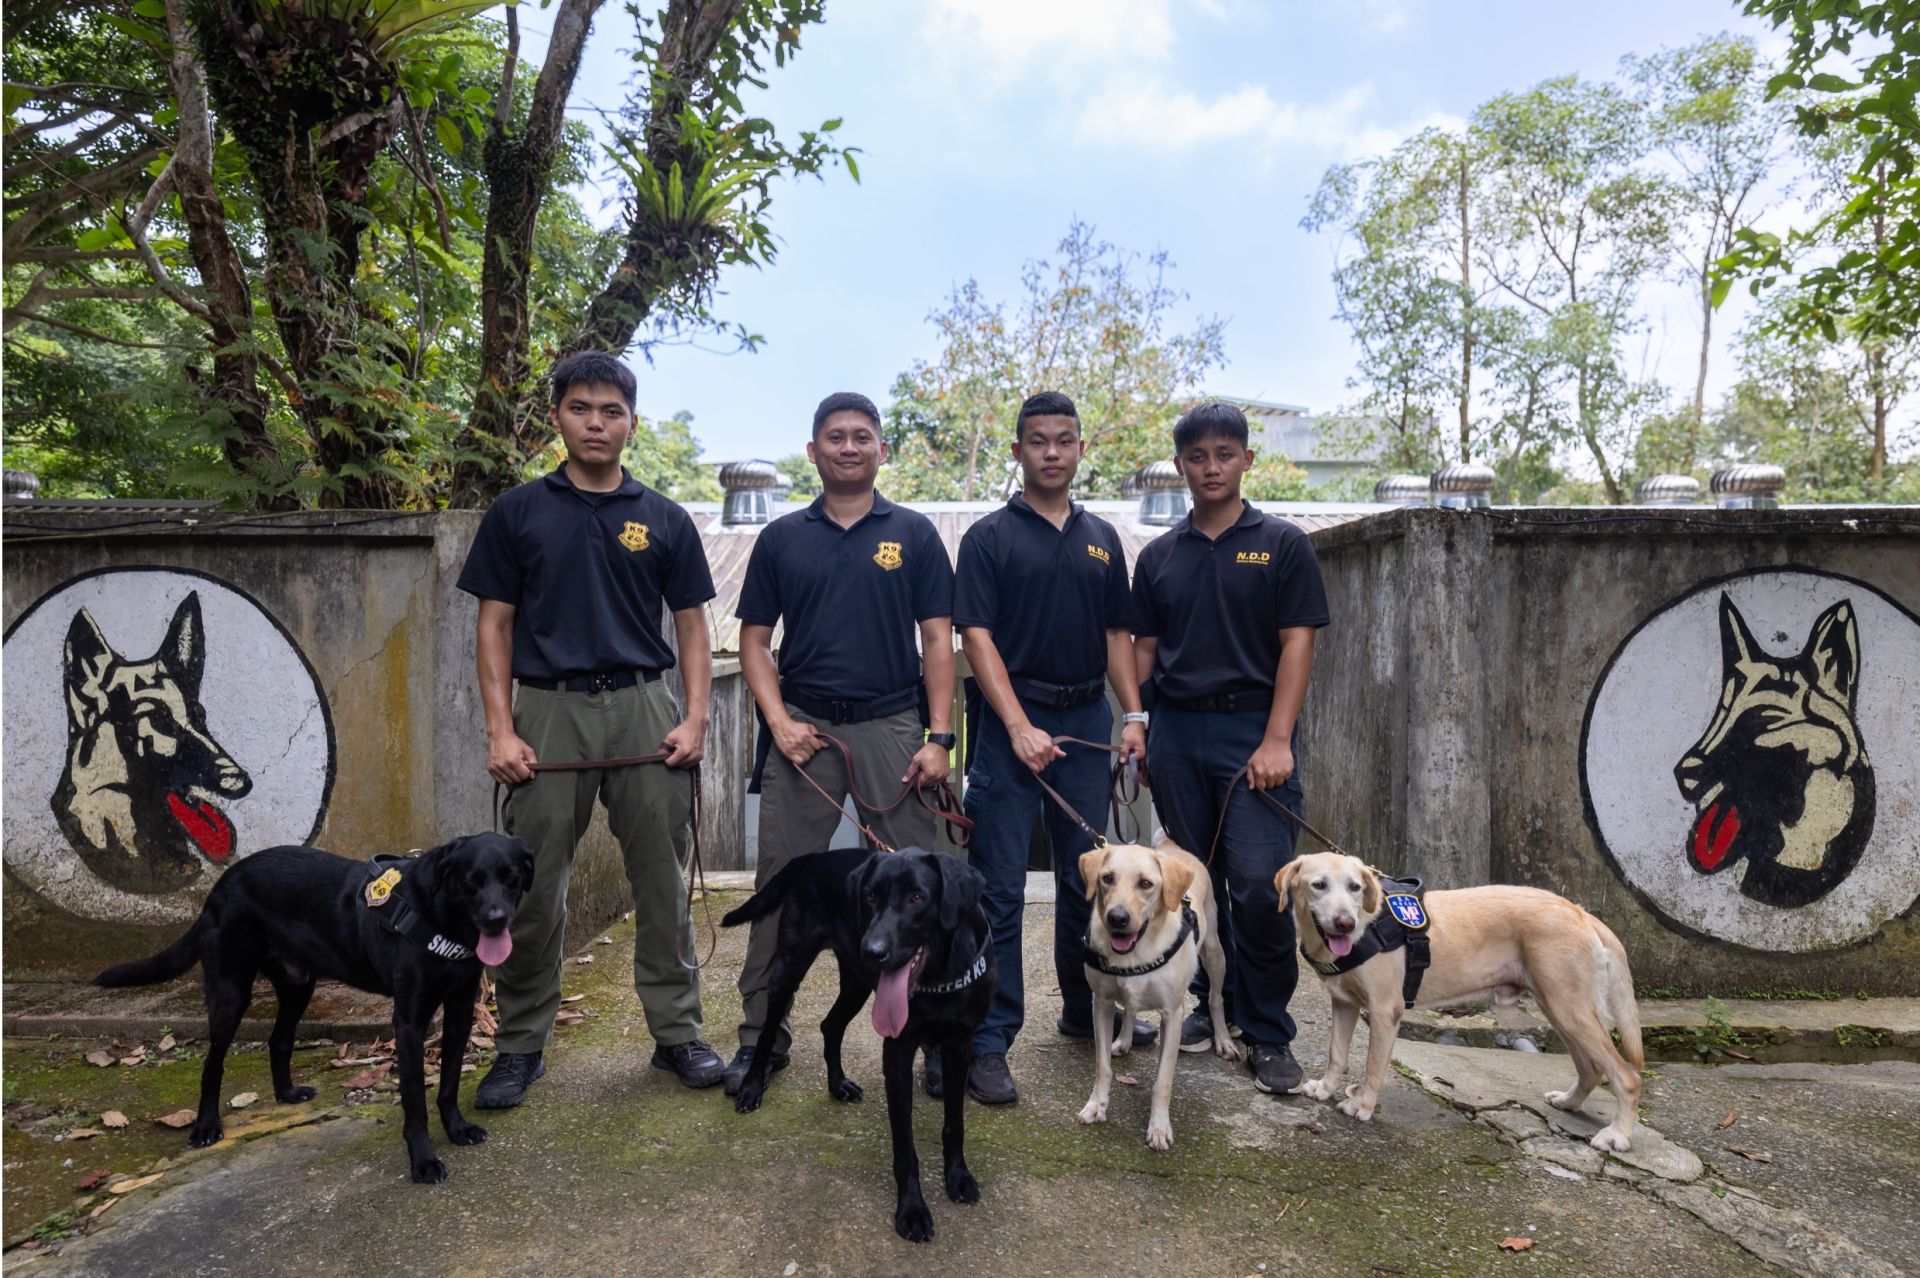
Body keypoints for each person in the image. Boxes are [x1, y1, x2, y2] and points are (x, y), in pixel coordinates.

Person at [458, 350, 725, 1107]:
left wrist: (696, 716)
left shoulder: (664, 518)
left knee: (663, 886)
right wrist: (499, 730)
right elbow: (493, 627)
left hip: (644, 706)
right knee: (530, 885)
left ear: (632, 423)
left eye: (612, 412)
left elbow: (694, 628)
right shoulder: (517, 513)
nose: (596, 423)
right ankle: (518, 1046)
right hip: (549, 711)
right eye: (581, 408)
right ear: (557, 418)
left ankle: (677, 1035)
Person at [725, 391, 958, 1099]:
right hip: (806, 729)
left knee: (927, 883)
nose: (849, 447)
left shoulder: (914, 534)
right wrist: (780, 723)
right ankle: (760, 1038)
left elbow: (937, 641)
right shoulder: (783, 538)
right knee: (781, 886)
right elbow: (756, 643)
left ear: (882, 449)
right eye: (835, 437)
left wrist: (939, 736)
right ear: (813, 451)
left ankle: (935, 1040)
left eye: (863, 436)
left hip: (892, 726)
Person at [951, 391, 1156, 1105]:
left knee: (1091, 882)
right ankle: (988, 1039)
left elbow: (1116, 638)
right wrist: (1015, 727)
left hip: (1085, 724)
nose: (1051, 452)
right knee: (999, 891)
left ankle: (1083, 1007)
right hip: (1014, 726)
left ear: (1078, 449)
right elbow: (975, 639)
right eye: (1037, 441)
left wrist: (1132, 716)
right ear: (1017, 452)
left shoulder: (1102, 537)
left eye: (1064, 440)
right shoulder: (988, 538)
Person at [1130, 400, 1330, 1095]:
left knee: (1257, 885)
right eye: (1196, 456)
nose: (1210, 467)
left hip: (1253, 731)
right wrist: (1137, 726)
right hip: (1177, 734)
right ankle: (1203, 1008)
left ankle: (1267, 1030)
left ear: (1247, 459)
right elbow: (1144, 652)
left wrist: (1279, 738)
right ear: (1179, 464)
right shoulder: (1159, 555)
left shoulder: (1281, 543)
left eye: (1224, 454)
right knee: (1190, 889)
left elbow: (1297, 643)